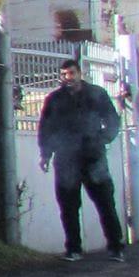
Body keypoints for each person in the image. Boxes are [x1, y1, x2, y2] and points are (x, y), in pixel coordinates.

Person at [36, 59, 126, 263]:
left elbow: (112, 119)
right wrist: (45, 154)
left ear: (80, 73)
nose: (68, 78)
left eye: (71, 73)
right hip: (66, 158)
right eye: (64, 74)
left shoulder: (96, 94)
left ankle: (116, 248)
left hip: (93, 157)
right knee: (68, 206)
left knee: (105, 203)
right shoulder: (54, 99)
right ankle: (73, 249)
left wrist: (103, 139)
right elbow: (46, 128)